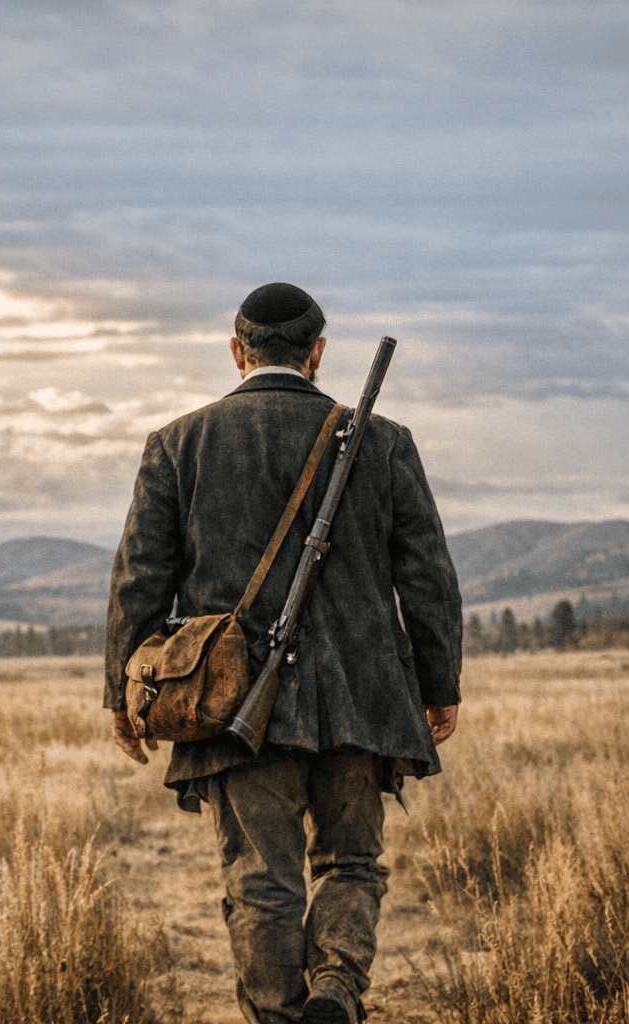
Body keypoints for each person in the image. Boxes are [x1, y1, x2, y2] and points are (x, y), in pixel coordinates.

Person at [104, 283, 462, 1024]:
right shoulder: (384, 439)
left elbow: (140, 578)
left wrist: (123, 692)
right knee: (352, 863)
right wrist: (439, 682)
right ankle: (335, 990)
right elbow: (425, 572)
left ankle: (279, 1015)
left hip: (232, 701)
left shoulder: (177, 443)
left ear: (237, 352)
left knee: (261, 879)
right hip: (364, 697)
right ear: (318, 354)